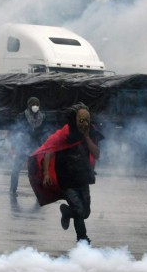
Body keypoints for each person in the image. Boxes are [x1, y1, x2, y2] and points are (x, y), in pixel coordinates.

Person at [31, 103, 103, 244]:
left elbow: (96, 154)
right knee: (79, 210)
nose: (84, 123)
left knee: (85, 212)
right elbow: (49, 151)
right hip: (67, 179)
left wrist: (87, 137)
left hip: (83, 177)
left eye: (86, 120)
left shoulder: (91, 132)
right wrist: (46, 173)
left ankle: (67, 212)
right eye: (81, 120)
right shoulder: (65, 133)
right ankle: (82, 239)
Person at [10, 97, 48, 195]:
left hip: (35, 147)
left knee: (37, 170)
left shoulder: (43, 117)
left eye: (37, 104)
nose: (35, 106)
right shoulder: (21, 116)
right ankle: (12, 190)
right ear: (29, 105)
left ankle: (39, 190)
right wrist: (15, 145)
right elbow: (16, 131)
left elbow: (43, 133)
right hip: (23, 146)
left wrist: (43, 146)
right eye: (33, 104)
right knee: (16, 169)